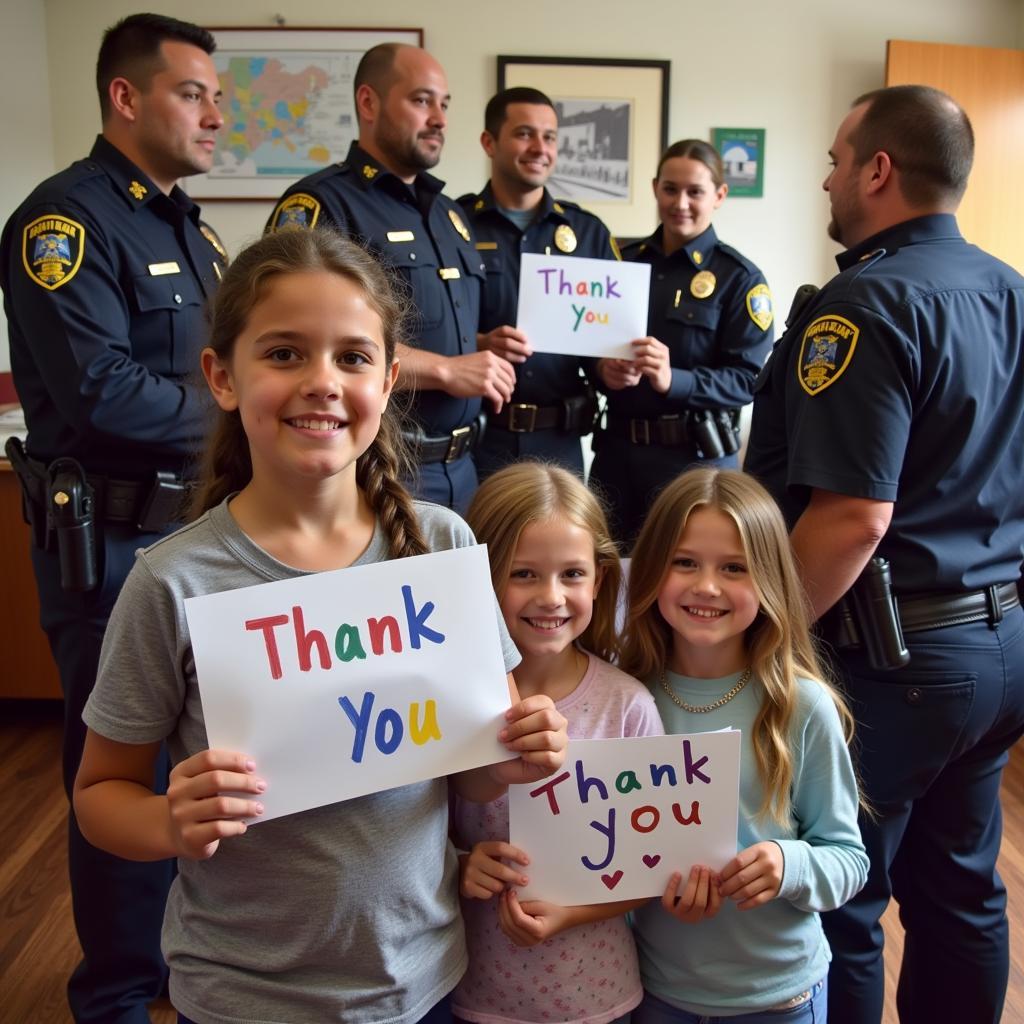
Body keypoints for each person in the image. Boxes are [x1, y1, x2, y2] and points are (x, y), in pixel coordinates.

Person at [71, 227, 569, 1024]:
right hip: (243, 995)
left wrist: (513, 754)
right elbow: (99, 795)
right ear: (222, 377)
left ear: (390, 378)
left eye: (352, 357)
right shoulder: (173, 581)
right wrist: (168, 818)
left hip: (422, 981)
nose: (322, 382)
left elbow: (468, 772)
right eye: (283, 354)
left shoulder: (443, 546)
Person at [744, 84, 1024, 1024]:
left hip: (894, 660)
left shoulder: (863, 307)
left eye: (833, 159)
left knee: (849, 901)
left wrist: (763, 641)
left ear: (878, 169)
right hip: (1000, 644)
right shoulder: (1009, 289)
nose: (825, 178)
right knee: (962, 888)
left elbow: (852, 519)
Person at [0, 14, 227, 1022]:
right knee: (121, 771)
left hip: (198, 534)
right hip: (115, 543)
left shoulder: (194, 228)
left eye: (218, 96)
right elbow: (101, 391)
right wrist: (240, 410)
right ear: (126, 98)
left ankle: (177, 967)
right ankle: (120, 994)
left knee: (192, 765)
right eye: (194, 93)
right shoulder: (66, 223)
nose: (215, 114)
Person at [619, 467, 868, 1023]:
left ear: (768, 580)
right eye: (685, 562)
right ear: (652, 569)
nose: (706, 586)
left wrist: (790, 864)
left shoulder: (801, 706)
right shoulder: (626, 698)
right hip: (654, 990)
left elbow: (849, 859)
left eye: (734, 568)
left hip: (777, 997)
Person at [453, 462, 664, 1024]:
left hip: (598, 998)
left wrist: (572, 912)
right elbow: (413, 833)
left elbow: (658, 863)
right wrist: (460, 865)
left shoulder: (629, 706)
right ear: (482, 579)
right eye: (524, 574)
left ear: (598, 579)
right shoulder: (448, 706)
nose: (551, 597)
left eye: (572, 574)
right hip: (472, 996)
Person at [266, 43, 514, 513]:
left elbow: (420, 325)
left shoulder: (450, 214)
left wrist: (480, 345)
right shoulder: (323, 205)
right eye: (422, 101)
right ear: (368, 103)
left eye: (444, 104)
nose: (439, 118)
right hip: (377, 471)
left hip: (465, 467)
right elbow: (302, 348)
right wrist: (445, 369)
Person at [590, 140, 773, 547]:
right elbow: (589, 344)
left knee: (682, 581)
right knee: (608, 577)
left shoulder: (739, 278)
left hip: (694, 463)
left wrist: (676, 379)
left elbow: (748, 380)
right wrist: (604, 369)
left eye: (695, 192)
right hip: (618, 458)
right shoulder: (621, 263)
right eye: (671, 189)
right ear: (655, 188)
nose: (681, 203)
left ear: (720, 196)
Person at [457, 88, 619, 479]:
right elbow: (428, 323)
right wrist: (479, 344)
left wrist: (610, 369)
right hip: (476, 441)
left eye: (549, 137)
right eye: (524, 134)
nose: (539, 148)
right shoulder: (454, 224)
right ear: (489, 142)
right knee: (480, 541)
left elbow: (603, 343)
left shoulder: (587, 233)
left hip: (559, 442)